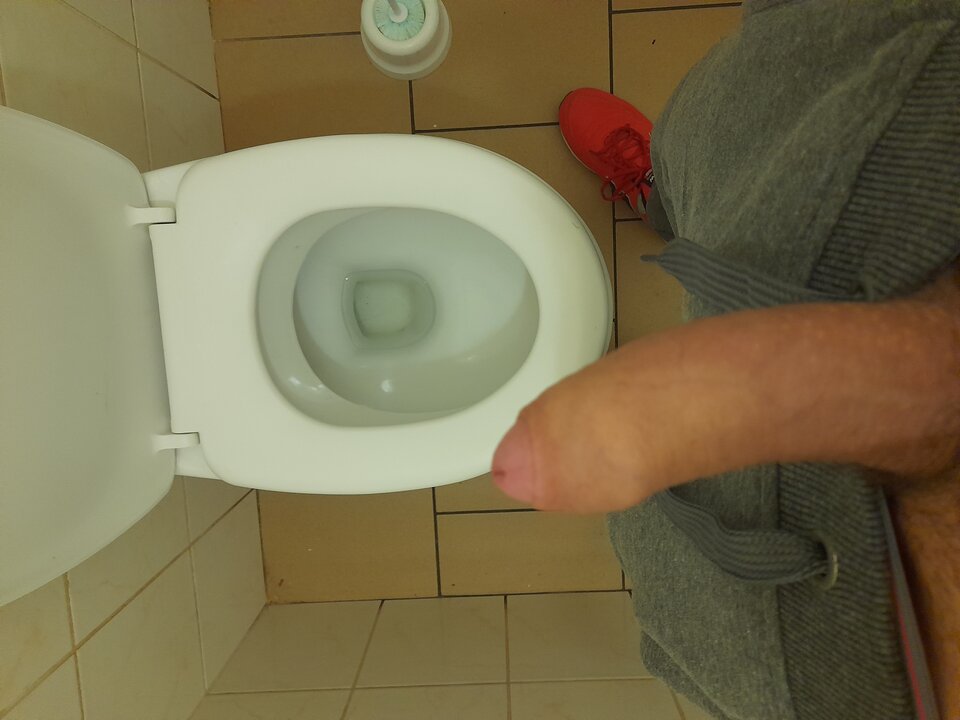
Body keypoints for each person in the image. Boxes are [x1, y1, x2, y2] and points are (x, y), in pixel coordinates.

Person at [491, 2, 960, 719]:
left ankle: (675, 194)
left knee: (739, 155)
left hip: (828, 674)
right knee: (740, 148)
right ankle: (660, 192)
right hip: (902, 153)